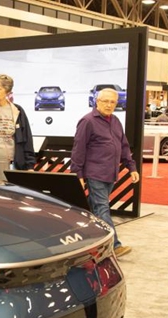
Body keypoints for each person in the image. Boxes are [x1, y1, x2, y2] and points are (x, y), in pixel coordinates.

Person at [70, 88, 140, 258]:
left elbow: (123, 146)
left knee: (93, 208)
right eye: (105, 101)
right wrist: (77, 174)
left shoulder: (115, 121)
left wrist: (132, 167)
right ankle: (114, 245)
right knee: (102, 208)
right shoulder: (87, 121)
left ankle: (83, 239)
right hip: (95, 173)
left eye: (113, 102)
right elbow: (78, 149)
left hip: (111, 173)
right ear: (97, 101)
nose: (109, 105)